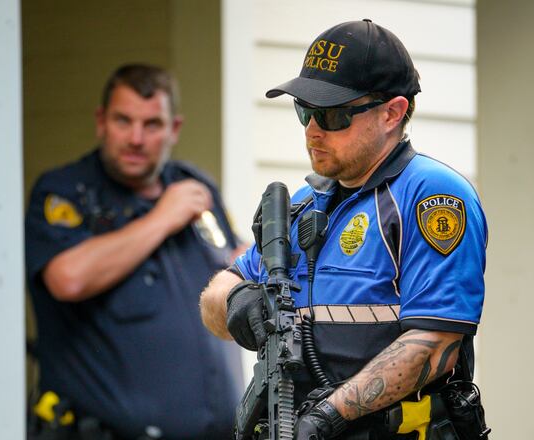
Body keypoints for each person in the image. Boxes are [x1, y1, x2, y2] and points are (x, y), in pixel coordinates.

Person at [200, 20, 487, 439]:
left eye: (334, 115)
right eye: (305, 111)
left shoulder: (431, 196)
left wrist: (327, 418)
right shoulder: (301, 204)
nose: (313, 129)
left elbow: (437, 343)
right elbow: (215, 296)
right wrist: (238, 299)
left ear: (393, 112)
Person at [25, 63, 243, 440]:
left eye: (152, 124)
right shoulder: (66, 191)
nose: (136, 138)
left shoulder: (193, 185)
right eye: (123, 121)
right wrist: (161, 219)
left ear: (174, 128)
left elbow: (232, 262)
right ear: (101, 122)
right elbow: (68, 279)